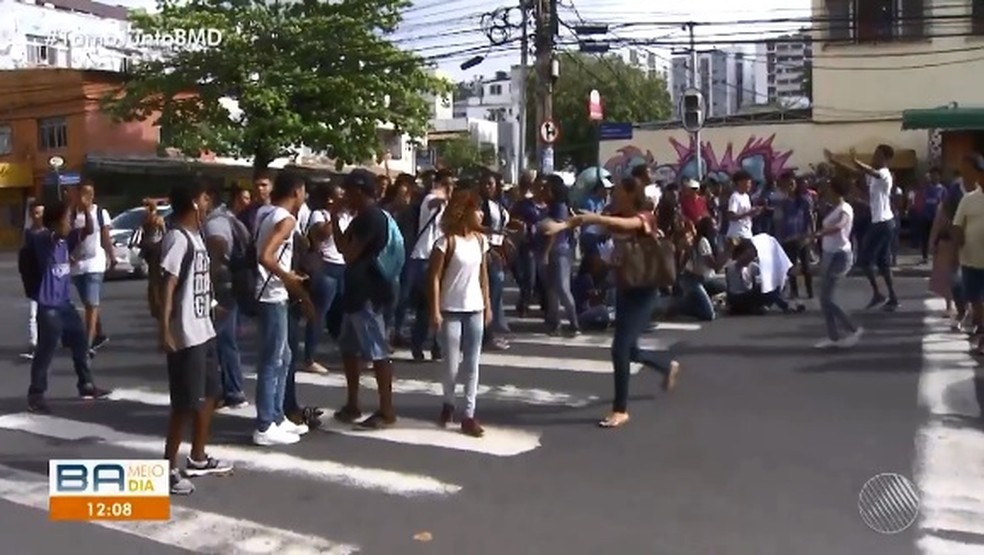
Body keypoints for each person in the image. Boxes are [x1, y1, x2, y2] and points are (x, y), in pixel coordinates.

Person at [546, 177, 681, 429]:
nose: (613, 195)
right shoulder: (616, 214)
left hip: (644, 289)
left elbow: (620, 223)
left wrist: (593, 219)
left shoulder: (645, 216)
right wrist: (566, 224)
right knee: (630, 350)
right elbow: (598, 225)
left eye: (618, 191)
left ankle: (620, 409)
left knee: (619, 349)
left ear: (631, 193)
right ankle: (666, 366)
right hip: (625, 286)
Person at [157, 183, 233, 495]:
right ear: (193, 201)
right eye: (205, 197)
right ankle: (168, 468)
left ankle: (198, 457)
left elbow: (196, 281)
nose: (208, 203)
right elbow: (169, 284)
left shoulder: (195, 237)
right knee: (184, 405)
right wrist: (165, 329)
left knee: (211, 394)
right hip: (186, 333)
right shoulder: (177, 237)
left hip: (205, 329)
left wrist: (213, 306)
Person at [25, 200, 111, 414]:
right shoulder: (44, 239)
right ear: (55, 222)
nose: (70, 223)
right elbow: (45, 236)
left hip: (64, 304)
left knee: (81, 342)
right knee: (46, 351)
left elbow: (89, 230)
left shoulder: (66, 240)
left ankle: (86, 384)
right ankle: (36, 395)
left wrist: (85, 209)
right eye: (67, 219)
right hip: (49, 306)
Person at [252, 171, 316, 446]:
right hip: (272, 295)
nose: (304, 198)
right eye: (304, 193)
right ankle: (265, 424)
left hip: (270, 293)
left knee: (284, 356)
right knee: (272, 360)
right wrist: (287, 276)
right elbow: (265, 256)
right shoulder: (286, 220)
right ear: (297, 191)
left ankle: (277, 417)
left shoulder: (264, 213)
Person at [333, 169, 399, 430]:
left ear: (359, 191)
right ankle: (352, 403)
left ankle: (386, 409)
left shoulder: (370, 217)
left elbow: (348, 254)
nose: (345, 196)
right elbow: (341, 247)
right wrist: (335, 216)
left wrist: (338, 217)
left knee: (377, 351)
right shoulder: (364, 216)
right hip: (356, 292)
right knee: (349, 350)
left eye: (348, 191)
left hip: (368, 294)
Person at [428, 186, 492, 437]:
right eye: (477, 210)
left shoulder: (480, 240)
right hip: (450, 309)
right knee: (452, 365)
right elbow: (433, 278)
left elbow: (483, 275)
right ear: (464, 211)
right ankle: (448, 402)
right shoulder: (445, 242)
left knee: (472, 364)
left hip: (474, 307)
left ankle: (468, 414)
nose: (481, 215)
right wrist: (435, 310)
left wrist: (487, 305)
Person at [824, 145, 899, 311]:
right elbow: (857, 173)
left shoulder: (885, 173)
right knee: (883, 264)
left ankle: (879, 294)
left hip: (882, 223)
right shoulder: (874, 177)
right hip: (882, 222)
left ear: (886, 158)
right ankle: (892, 297)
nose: (875, 157)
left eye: (878, 155)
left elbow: (871, 172)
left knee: (864, 261)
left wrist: (857, 161)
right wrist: (836, 161)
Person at [203, 186, 252, 408]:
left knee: (218, 340)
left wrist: (211, 270)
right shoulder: (231, 219)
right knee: (226, 339)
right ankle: (231, 390)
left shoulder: (216, 220)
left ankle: (229, 391)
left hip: (221, 286)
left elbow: (217, 242)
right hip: (231, 284)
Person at [813, 178, 863, 349]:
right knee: (824, 299)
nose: (826, 192)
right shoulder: (833, 208)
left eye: (829, 189)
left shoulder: (845, 208)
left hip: (840, 256)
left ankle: (853, 329)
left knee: (828, 298)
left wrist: (820, 233)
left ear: (835, 191)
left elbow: (840, 226)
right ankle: (833, 336)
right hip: (829, 254)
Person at [69, 182, 113, 354]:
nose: (88, 197)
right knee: (88, 302)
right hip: (77, 264)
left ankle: (87, 345)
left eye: (91, 193)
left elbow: (105, 236)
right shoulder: (72, 214)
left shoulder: (100, 213)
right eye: (84, 193)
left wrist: (112, 256)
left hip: (95, 262)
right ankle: (99, 333)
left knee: (91, 303)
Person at [540, 175, 580, 336]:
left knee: (562, 288)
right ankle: (555, 322)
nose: (544, 190)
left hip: (559, 251)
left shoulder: (559, 207)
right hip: (560, 251)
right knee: (552, 289)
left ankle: (573, 322)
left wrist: (545, 253)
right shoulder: (555, 206)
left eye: (547, 187)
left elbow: (553, 232)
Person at [952, 155, 984, 355]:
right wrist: (958, 240)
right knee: (976, 301)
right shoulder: (969, 199)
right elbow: (957, 225)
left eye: (967, 169)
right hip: (970, 260)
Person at [22, 201, 44, 360]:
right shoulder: (29, 234)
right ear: (31, 215)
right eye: (36, 213)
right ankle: (34, 343)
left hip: (50, 279)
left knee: (57, 311)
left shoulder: (50, 232)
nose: (39, 217)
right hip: (35, 280)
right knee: (33, 314)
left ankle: (68, 337)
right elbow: (25, 259)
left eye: (41, 213)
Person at [725, 170, 761, 245]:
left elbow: (747, 215)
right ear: (740, 183)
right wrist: (748, 213)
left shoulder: (746, 197)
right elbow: (731, 216)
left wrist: (755, 212)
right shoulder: (735, 197)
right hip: (737, 235)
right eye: (748, 183)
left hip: (747, 233)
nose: (749, 185)